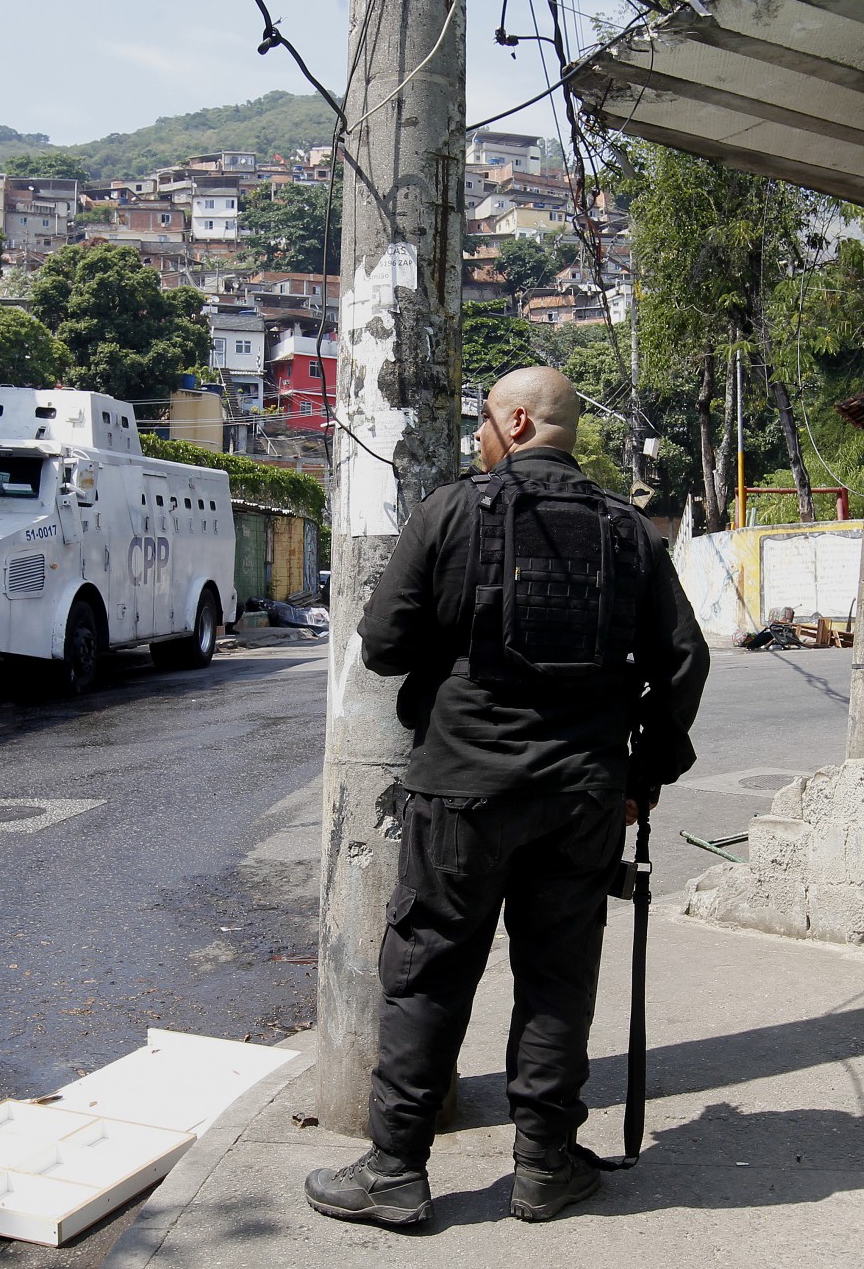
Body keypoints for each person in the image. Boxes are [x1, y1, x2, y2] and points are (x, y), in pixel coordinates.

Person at [304, 366, 709, 1226]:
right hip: (582, 800)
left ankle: (395, 1171)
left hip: (462, 793)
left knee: (429, 970)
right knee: (558, 979)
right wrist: (641, 776)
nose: (477, 438)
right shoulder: (627, 532)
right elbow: (683, 663)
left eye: (483, 422)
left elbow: (381, 646)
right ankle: (545, 1166)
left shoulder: (453, 511)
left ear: (518, 423)